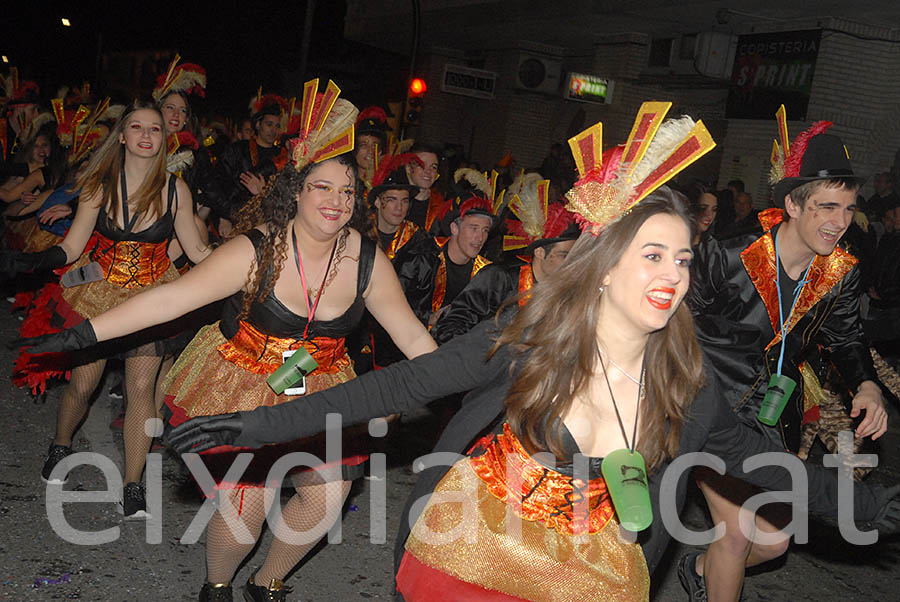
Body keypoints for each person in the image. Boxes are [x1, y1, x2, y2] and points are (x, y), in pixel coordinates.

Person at [166, 104, 900, 602]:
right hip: (474, 542)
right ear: (607, 264)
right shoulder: (531, 339)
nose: (673, 276)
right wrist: (254, 427)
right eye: (654, 255)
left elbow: (759, 462)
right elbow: (396, 388)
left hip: (584, 569)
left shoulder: (686, 383)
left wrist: (864, 502)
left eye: (682, 259)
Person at [19, 81, 437, 602]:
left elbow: (413, 336)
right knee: (248, 508)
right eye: (323, 188)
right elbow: (169, 302)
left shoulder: (368, 259)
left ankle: (268, 583)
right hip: (246, 381)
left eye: (347, 190)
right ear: (297, 190)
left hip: (323, 381)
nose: (337, 202)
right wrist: (80, 334)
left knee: (328, 496)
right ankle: (216, 587)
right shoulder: (255, 249)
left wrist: (468, 388)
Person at [683, 109, 888, 601]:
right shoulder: (731, 253)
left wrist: (866, 383)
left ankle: (698, 568)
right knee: (735, 534)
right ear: (794, 206)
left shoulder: (840, 273)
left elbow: (845, 338)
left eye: (847, 209)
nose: (840, 222)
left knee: (772, 543)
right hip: (706, 402)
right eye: (826, 207)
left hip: (766, 416)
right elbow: (675, 316)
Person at [4, 101, 211, 517]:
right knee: (84, 383)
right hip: (99, 293)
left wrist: (250, 264)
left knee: (139, 390)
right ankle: (60, 443)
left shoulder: (176, 190)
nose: (147, 135)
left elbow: (198, 251)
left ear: (163, 139)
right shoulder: (99, 185)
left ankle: (133, 485)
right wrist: (27, 263)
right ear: (122, 135)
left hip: (152, 297)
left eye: (155, 129)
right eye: (137, 127)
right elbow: (72, 247)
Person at [431, 173, 577, 344]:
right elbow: (450, 326)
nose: (570, 264)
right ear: (539, 252)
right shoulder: (500, 279)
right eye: (563, 255)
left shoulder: (563, 292)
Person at [395, 175, 495, 330]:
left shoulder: (486, 273)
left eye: (485, 230)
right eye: (473, 228)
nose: (480, 238)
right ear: (454, 228)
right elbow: (392, 304)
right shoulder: (421, 259)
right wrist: (429, 318)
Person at [404, 142, 443, 232]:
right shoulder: (394, 201)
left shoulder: (441, 206)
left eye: (433, 167)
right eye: (422, 165)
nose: (428, 171)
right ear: (408, 168)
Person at [354, 106, 389, 187]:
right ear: (355, 150)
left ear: (380, 152)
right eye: (363, 145)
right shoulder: (345, 180)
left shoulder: (386, 186)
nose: (370, 151)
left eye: (374, 146)